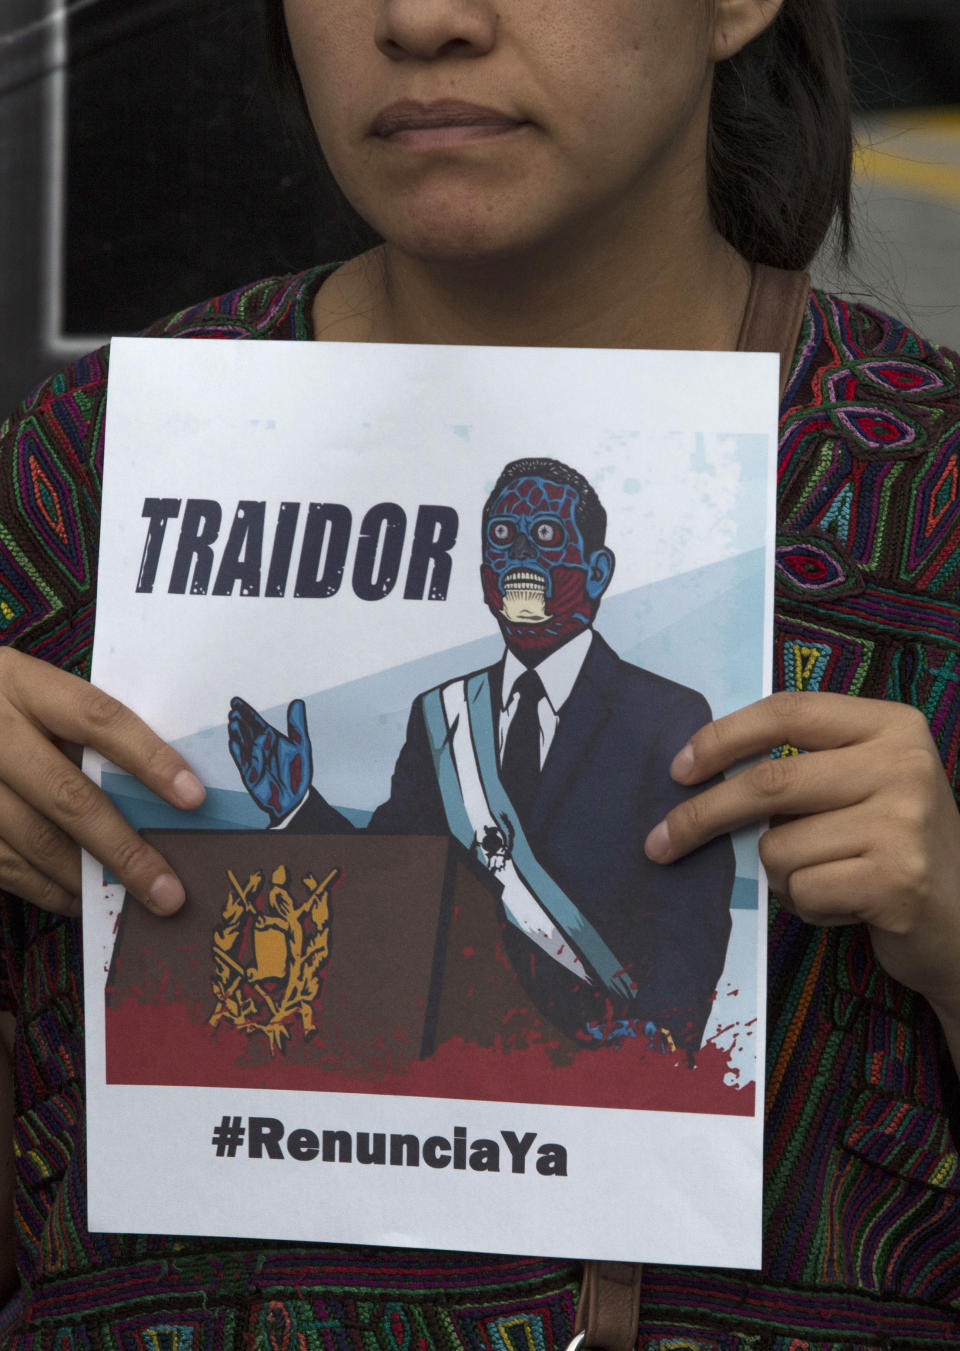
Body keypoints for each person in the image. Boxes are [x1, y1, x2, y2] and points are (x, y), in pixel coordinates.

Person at [0, 0, 958, 1346]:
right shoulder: (83, 474)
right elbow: (395, 882)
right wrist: (277, 813)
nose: (422, 18)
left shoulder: (925, 498)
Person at [230, 455, 735, 1051]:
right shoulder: (438, 715)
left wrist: (664, 1037)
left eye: (545, 535)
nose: (519, 554)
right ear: (483, 573)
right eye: (502, 536)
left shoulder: (665, 714)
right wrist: (298, 810)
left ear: (597, 571)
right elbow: (394, 876)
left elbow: (692, 910)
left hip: (607, 1050)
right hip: (462, 1054)